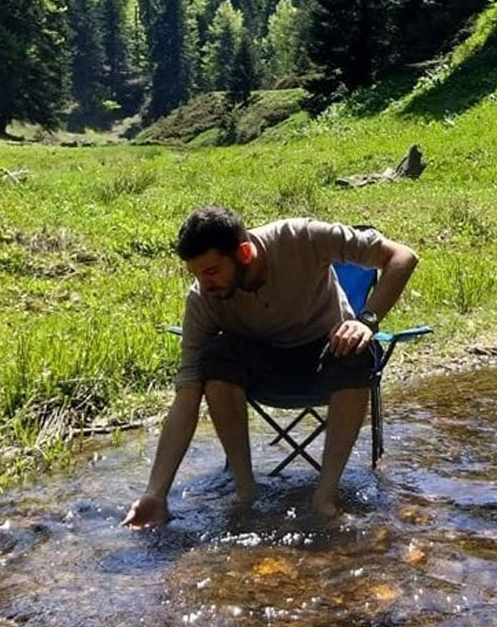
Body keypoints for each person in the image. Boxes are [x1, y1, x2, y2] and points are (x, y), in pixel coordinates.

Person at [121, 206, 419, 528]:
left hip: (327, 356)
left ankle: (325, 497)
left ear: (244, 253)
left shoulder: (301, 237)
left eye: (211, 272)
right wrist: (156, 493)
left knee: (358, 351)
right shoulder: (203, 299)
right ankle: (247, 493)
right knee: (216, 356)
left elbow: (403, 256)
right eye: (196, 275)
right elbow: (187, 395)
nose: (204, 285)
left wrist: (367, 321)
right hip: (262, 366)